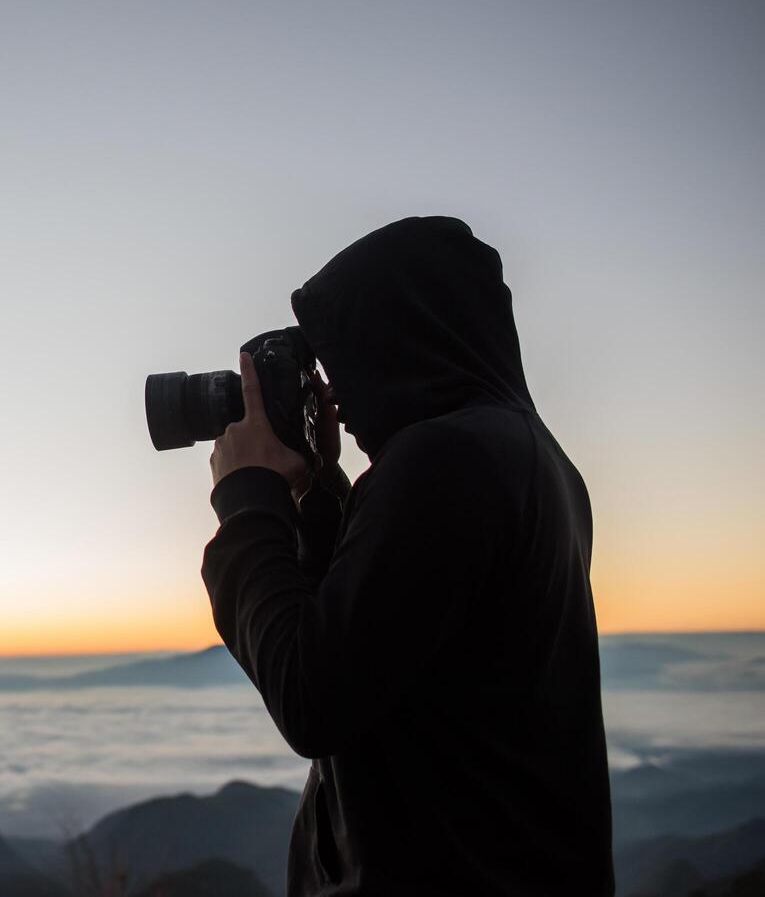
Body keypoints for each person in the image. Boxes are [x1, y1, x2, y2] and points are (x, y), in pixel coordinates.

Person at [202, 216, 613, 895]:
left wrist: (249, 498)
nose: (331, 396)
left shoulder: (444, 460)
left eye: (343, 361)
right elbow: (386, 635)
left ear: (398, 343)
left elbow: (313, 694)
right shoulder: (532, 461)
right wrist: (319, 489)